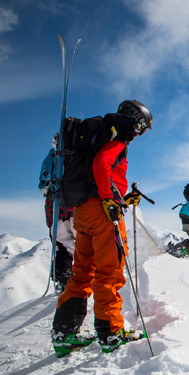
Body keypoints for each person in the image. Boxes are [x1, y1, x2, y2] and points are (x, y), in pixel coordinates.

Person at [51, 100, 152, 356]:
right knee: (110, 271)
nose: (139, 134)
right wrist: (108, 198)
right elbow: (101, 165)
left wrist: (120, 198)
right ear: (137, 121)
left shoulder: (99, 135)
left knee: (83, 270)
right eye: (142, 129)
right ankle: (111, 332)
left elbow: (97, 171)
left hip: (83, 211)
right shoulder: (119, 135)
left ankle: (65, 332)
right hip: (103, 212)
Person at [39, 134, 76, 291]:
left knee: (61, 245)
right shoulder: (79, 155)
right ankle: (85, 278)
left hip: (55, 206)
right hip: (76, 205)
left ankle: (63, 280)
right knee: (84, 243)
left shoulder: (51, 157)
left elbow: (43, 184)